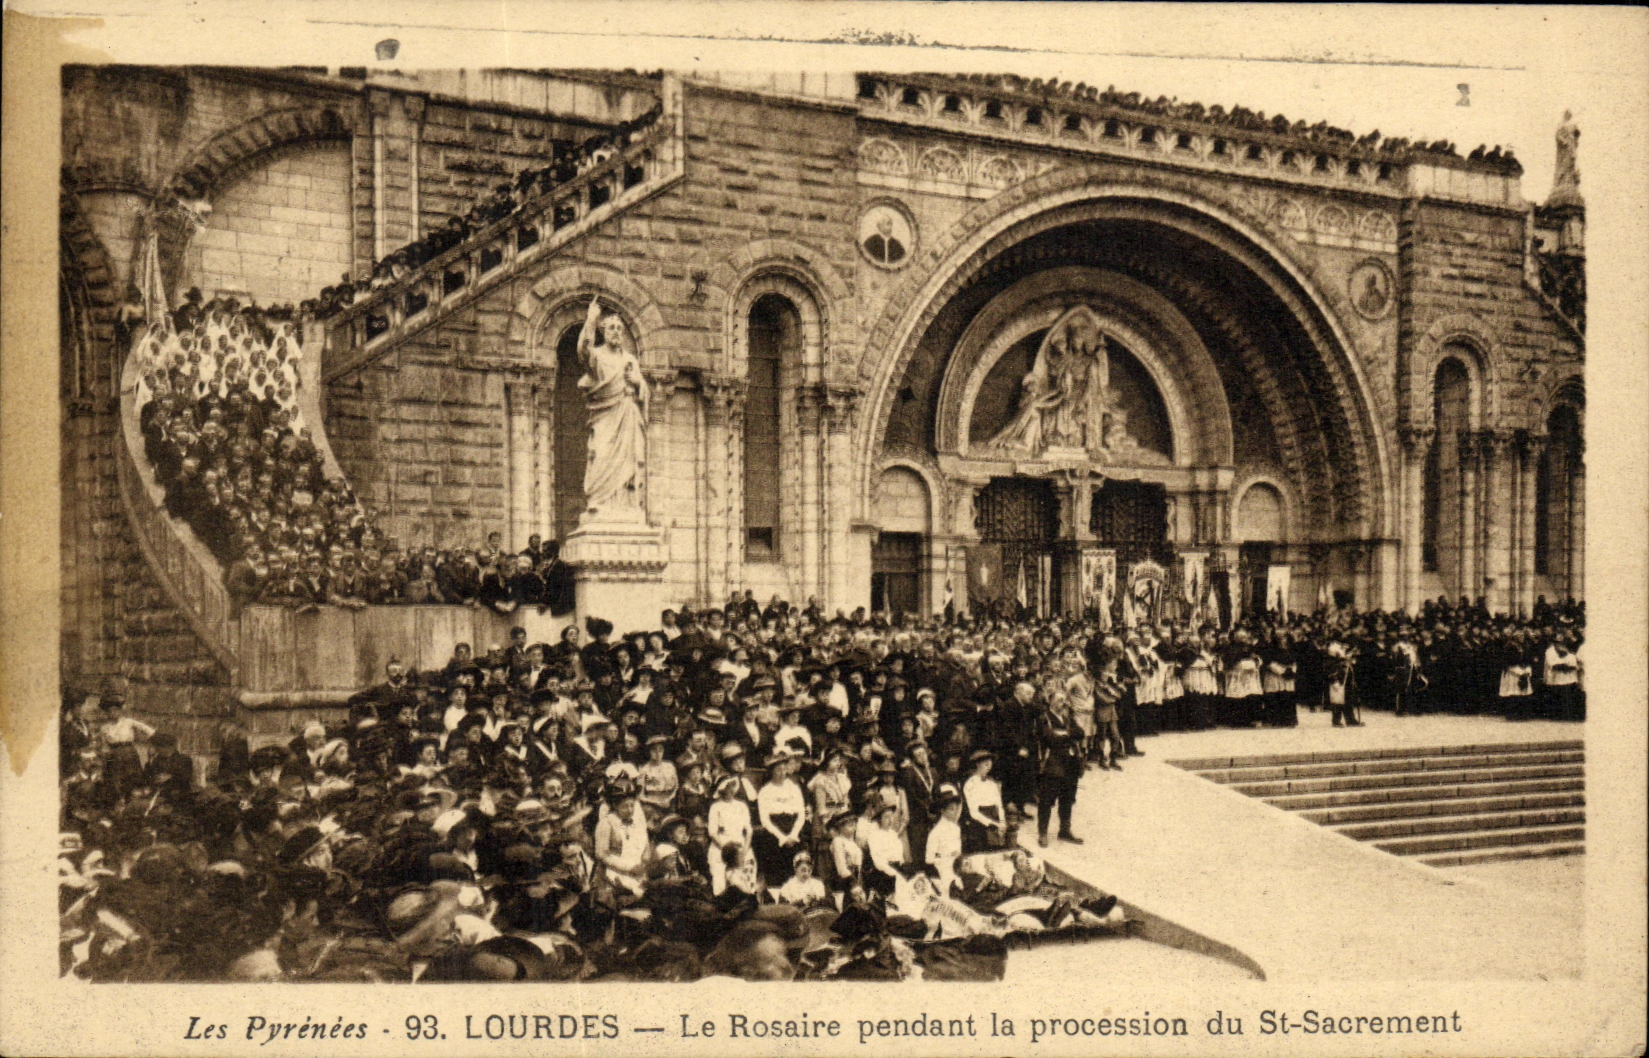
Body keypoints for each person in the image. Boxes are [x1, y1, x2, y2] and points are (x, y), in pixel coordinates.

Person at [575, 298, 650, 522]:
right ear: (603, 331)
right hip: (605, 416)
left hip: (628, 413)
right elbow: (583, 352)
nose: (616, 331)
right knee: (601, 455)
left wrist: (638, 382)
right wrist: (591, 320)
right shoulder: (597, 356)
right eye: (611, 327)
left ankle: (626, 506)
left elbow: (643, 392)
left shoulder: (630, 359)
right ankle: (598, 503)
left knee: (628, 462)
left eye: (619, 328)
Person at [1035, 690, 1085, 847]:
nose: (1062, 703)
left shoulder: (1067, 718)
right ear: (1050, 702)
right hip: (1053, 764)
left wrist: (1064, 733)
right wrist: (1068, 735)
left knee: (1067, 799)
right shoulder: (1044, 718)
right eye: (1058, 700)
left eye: (1063, 700)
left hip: (1070, 764)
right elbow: (1049, 738)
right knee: (1047, 800)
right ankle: (1043, 833)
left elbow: (1081, 733)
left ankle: (1064, 831)